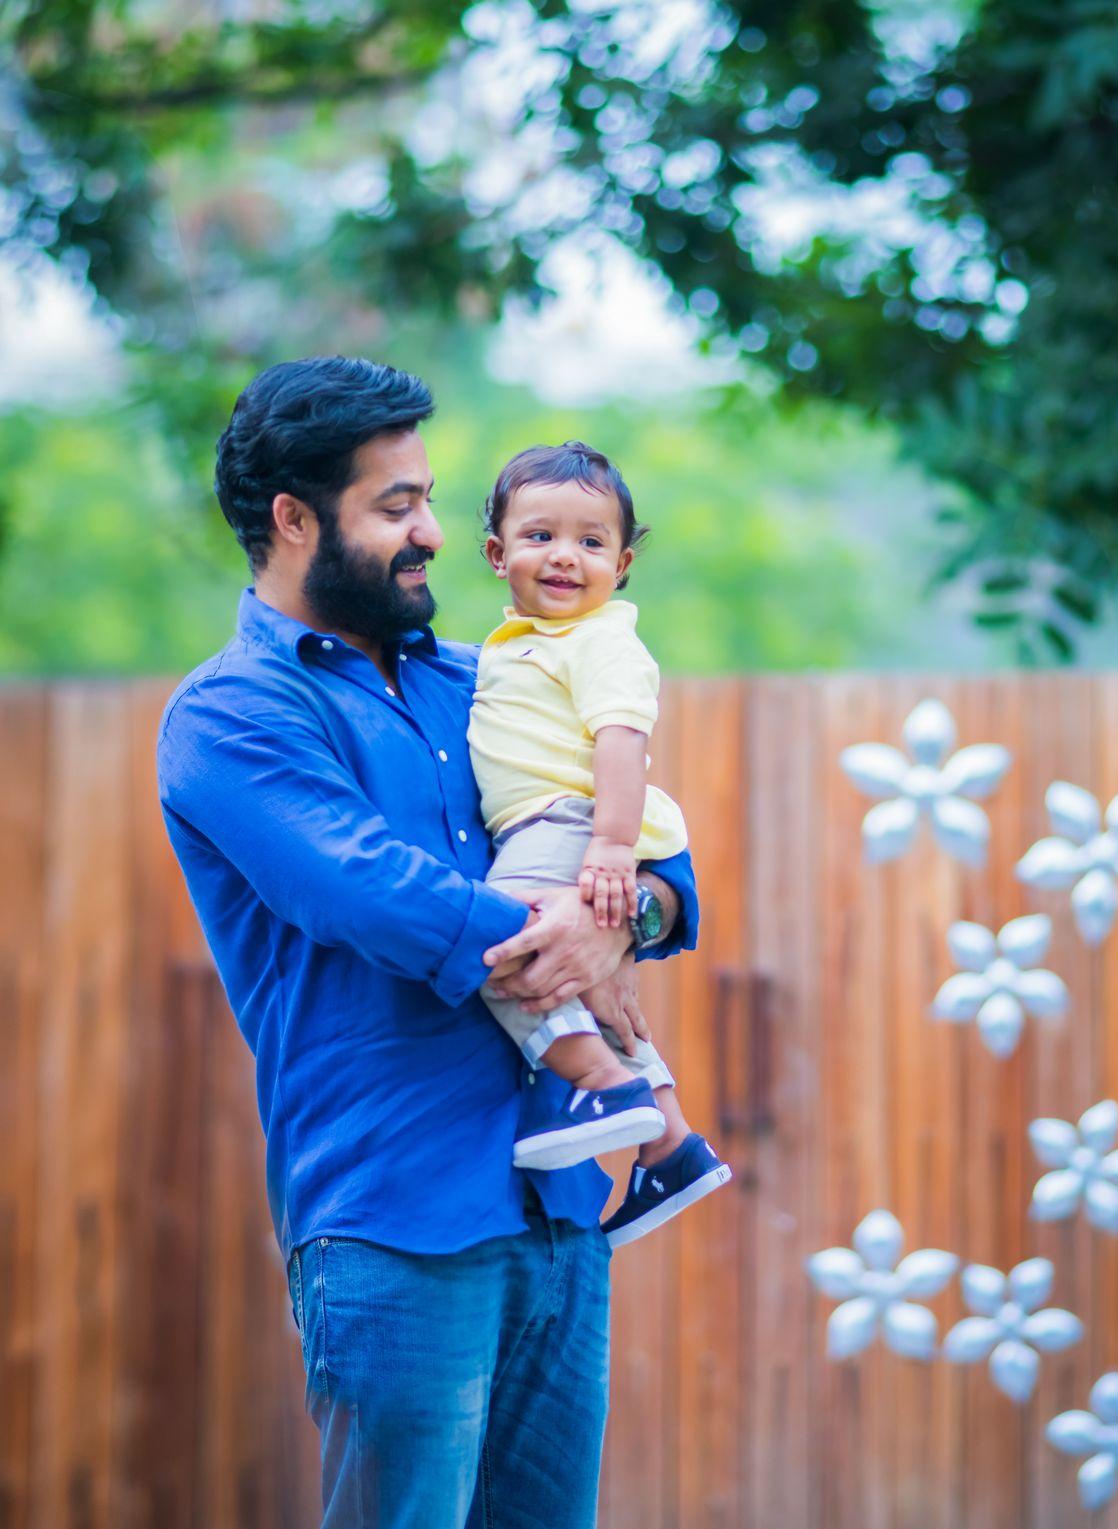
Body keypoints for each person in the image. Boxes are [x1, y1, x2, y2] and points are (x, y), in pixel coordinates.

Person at [156, 355, 700, 1528]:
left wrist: (635, 916)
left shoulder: (490, 675)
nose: (436, 534)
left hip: (559, 1208)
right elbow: (373, 892)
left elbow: (660, 858)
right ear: (296, 519)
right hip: (395, 1214)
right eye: (395, 505)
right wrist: (574, 930)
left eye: (431, 499)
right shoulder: (231, 713)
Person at [469, 441, 731, 1245]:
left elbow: (622, 739)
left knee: (503, 946)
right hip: (556, 824)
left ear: (621, 564)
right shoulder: (509, 650)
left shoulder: (602, 641)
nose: (564, 557)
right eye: (541, 535)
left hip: (566, 821)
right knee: (589, 981)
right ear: (496, 554)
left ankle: (596, 1083)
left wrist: (612, 849)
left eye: (591, 542)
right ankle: (669, 1140)